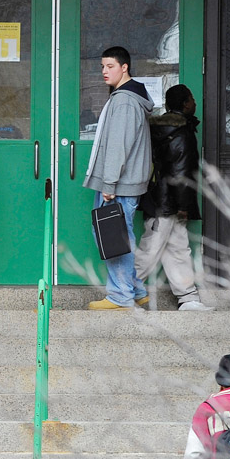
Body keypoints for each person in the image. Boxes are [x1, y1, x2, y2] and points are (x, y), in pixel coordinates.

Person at [83, 46, 153, 310]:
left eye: (110, 66)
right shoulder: (128, 97)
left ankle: (120, 296)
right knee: (120, 235)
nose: (104, 71)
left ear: (125, 68)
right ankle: (135, 291)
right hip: (125, 182)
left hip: (119, 184)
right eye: (102, 66)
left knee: (114, 237)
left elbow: (118, 146)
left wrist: (109, 184)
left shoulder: (124, 100)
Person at [135, 84, 212, 311]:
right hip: (168, 203)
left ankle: (188, 298)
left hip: (159, 198)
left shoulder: (158, 129)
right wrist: (184, 204)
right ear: (186, 103)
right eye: (192, 100)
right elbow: (181, 171)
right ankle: (122, 291)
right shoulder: (181, 131)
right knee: (151, 248)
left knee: (177, 248)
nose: (195, 104)